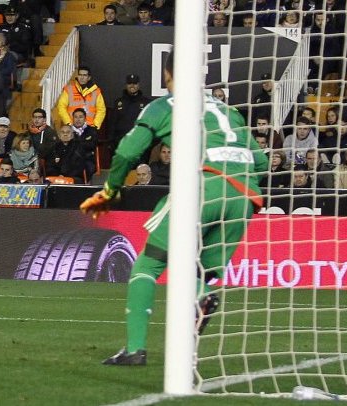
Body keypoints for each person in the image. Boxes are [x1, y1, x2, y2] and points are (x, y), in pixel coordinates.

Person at [80, 53, 268, 365]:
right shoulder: (227, 110)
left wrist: (110, 190)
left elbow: (127, 152)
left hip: (204, 187)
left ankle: (135, 350)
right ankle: (188, 346)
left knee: (147, 266)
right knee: (197, 273)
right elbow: (260, 161)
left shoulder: (165, 105)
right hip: (246, 196)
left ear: (167, 75)